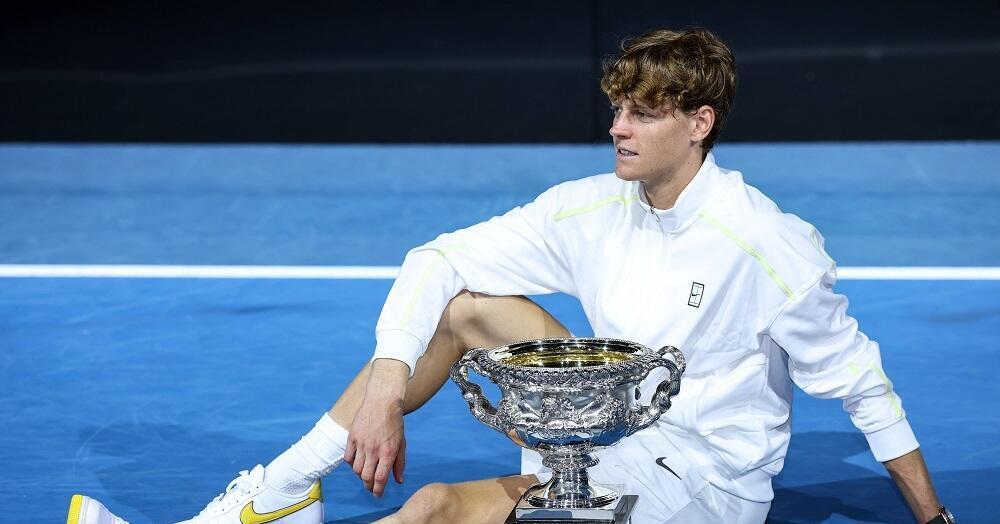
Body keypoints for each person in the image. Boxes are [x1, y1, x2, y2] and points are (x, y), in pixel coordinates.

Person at [67, 28, 954, 524]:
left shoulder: (765, 242)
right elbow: (434, 260)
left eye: (643, 114)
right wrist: (384, 385)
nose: (619, 128)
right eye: (617, 108)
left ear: (700, 121)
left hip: (702, 487)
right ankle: (276, 493)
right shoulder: (593, 206)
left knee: (436, 508)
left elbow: (862, 386)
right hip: (612, 418)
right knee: (465, 308)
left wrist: (935, 519)